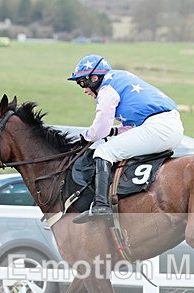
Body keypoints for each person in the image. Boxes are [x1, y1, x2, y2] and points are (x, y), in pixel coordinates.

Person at [67, 54, 184, 224]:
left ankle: (101, 205)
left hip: (159, 128)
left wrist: (86, 136)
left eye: (82, 83)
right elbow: (134, 128)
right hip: (170, 126)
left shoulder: (106, 89)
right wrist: (115, 131)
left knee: (103, 152)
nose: (84, 89)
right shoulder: (119, 79)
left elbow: (99, 129)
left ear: (94, 78)